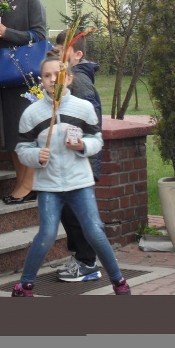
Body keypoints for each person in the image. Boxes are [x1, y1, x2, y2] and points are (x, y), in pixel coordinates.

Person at [11, 55, 131, 297]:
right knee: (46, 234)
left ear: (69, 78)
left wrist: (82, 146)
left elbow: (97, 140)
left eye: (58, 74)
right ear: (41, 80)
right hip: (49, 185)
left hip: (79, 183)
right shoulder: (32, 114)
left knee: (94, 231)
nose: (53, 79)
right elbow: (22, 149)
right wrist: (36, 155)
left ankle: (119, 281)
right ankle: (25, 285)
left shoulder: (83, 108)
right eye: (47, 75)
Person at [0, 0, 47, 205]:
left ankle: (29, 184)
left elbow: (39, 35)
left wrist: (7, 32)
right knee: (10, 133)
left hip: (25, 77)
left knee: (24, 130)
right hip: (2, 74)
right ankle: (23, 183)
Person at [51, 30, 105, 282]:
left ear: (77, 54)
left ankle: (87, 262)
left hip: (79, 160)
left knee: (76, 213)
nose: (57, 54)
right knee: (69, 211)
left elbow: (85, 122)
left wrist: (74, 146)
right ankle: (82, 256)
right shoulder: (69, 79)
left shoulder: (80, 83)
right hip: (70, 160)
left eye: (63, 50)